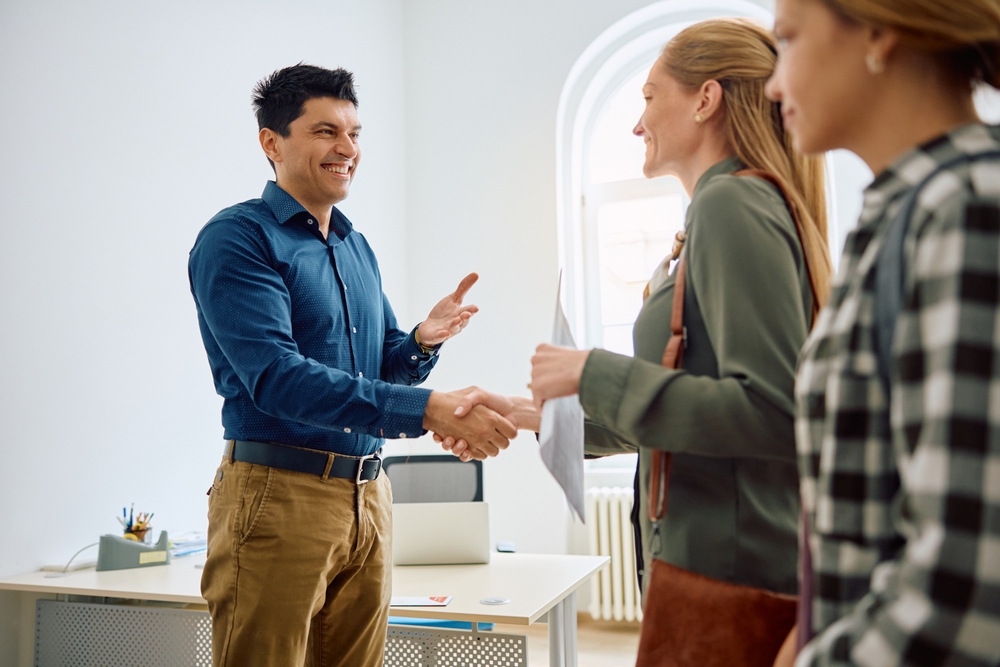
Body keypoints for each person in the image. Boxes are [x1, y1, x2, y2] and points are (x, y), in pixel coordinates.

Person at [450, 18, 832, 604]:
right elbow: (682, 413)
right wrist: (529, 412)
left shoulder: (732, 202)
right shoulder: (720, 210)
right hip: (710, 564)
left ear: (706, 99)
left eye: (649, 98)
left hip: (729, 575)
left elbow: (770, 409)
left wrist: (590, 371)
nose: (637, 123)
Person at [188, 64, 516, 667]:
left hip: (369, 494)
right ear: (272, 143)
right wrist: (428, 409)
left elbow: (380, 369)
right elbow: (278, 379)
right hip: (278, 495)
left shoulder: (353, 244)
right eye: (325, 132)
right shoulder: (237, 240)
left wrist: (420, 339)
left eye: (355, 133)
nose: (347, 149)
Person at [765, 0, 1000, 665]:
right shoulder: (907, 212)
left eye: (788, 39)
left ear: (877, 28)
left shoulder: (966, 208)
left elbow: (960, 592)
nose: (775, 83)